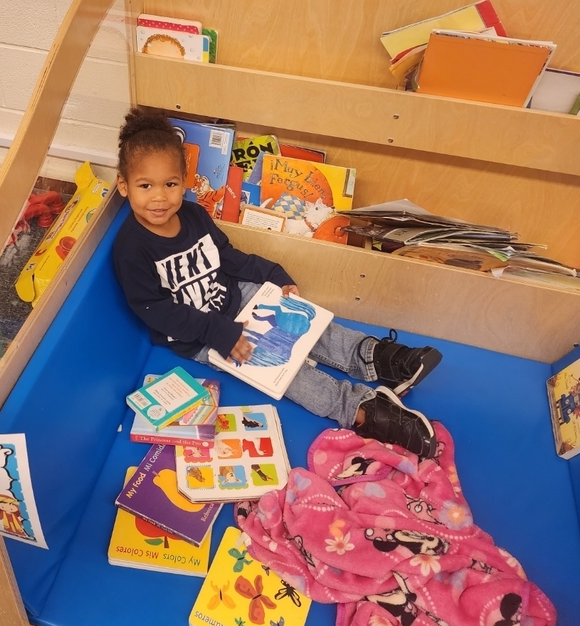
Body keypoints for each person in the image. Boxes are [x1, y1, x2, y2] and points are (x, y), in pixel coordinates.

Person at [113, 108, 443, 458]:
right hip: (200, 335)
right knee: (283, 371)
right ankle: (361, 409)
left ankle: (375, 358)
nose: (160, 197)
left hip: (237, 298)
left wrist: (272, 272)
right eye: (145, 186)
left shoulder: (193, 215)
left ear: (184, 180)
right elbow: (155, 311)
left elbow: (227, 255)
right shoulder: (130, 248)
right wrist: (218, 331)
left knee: (307, 322)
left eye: (170, 184)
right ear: (124, 185)